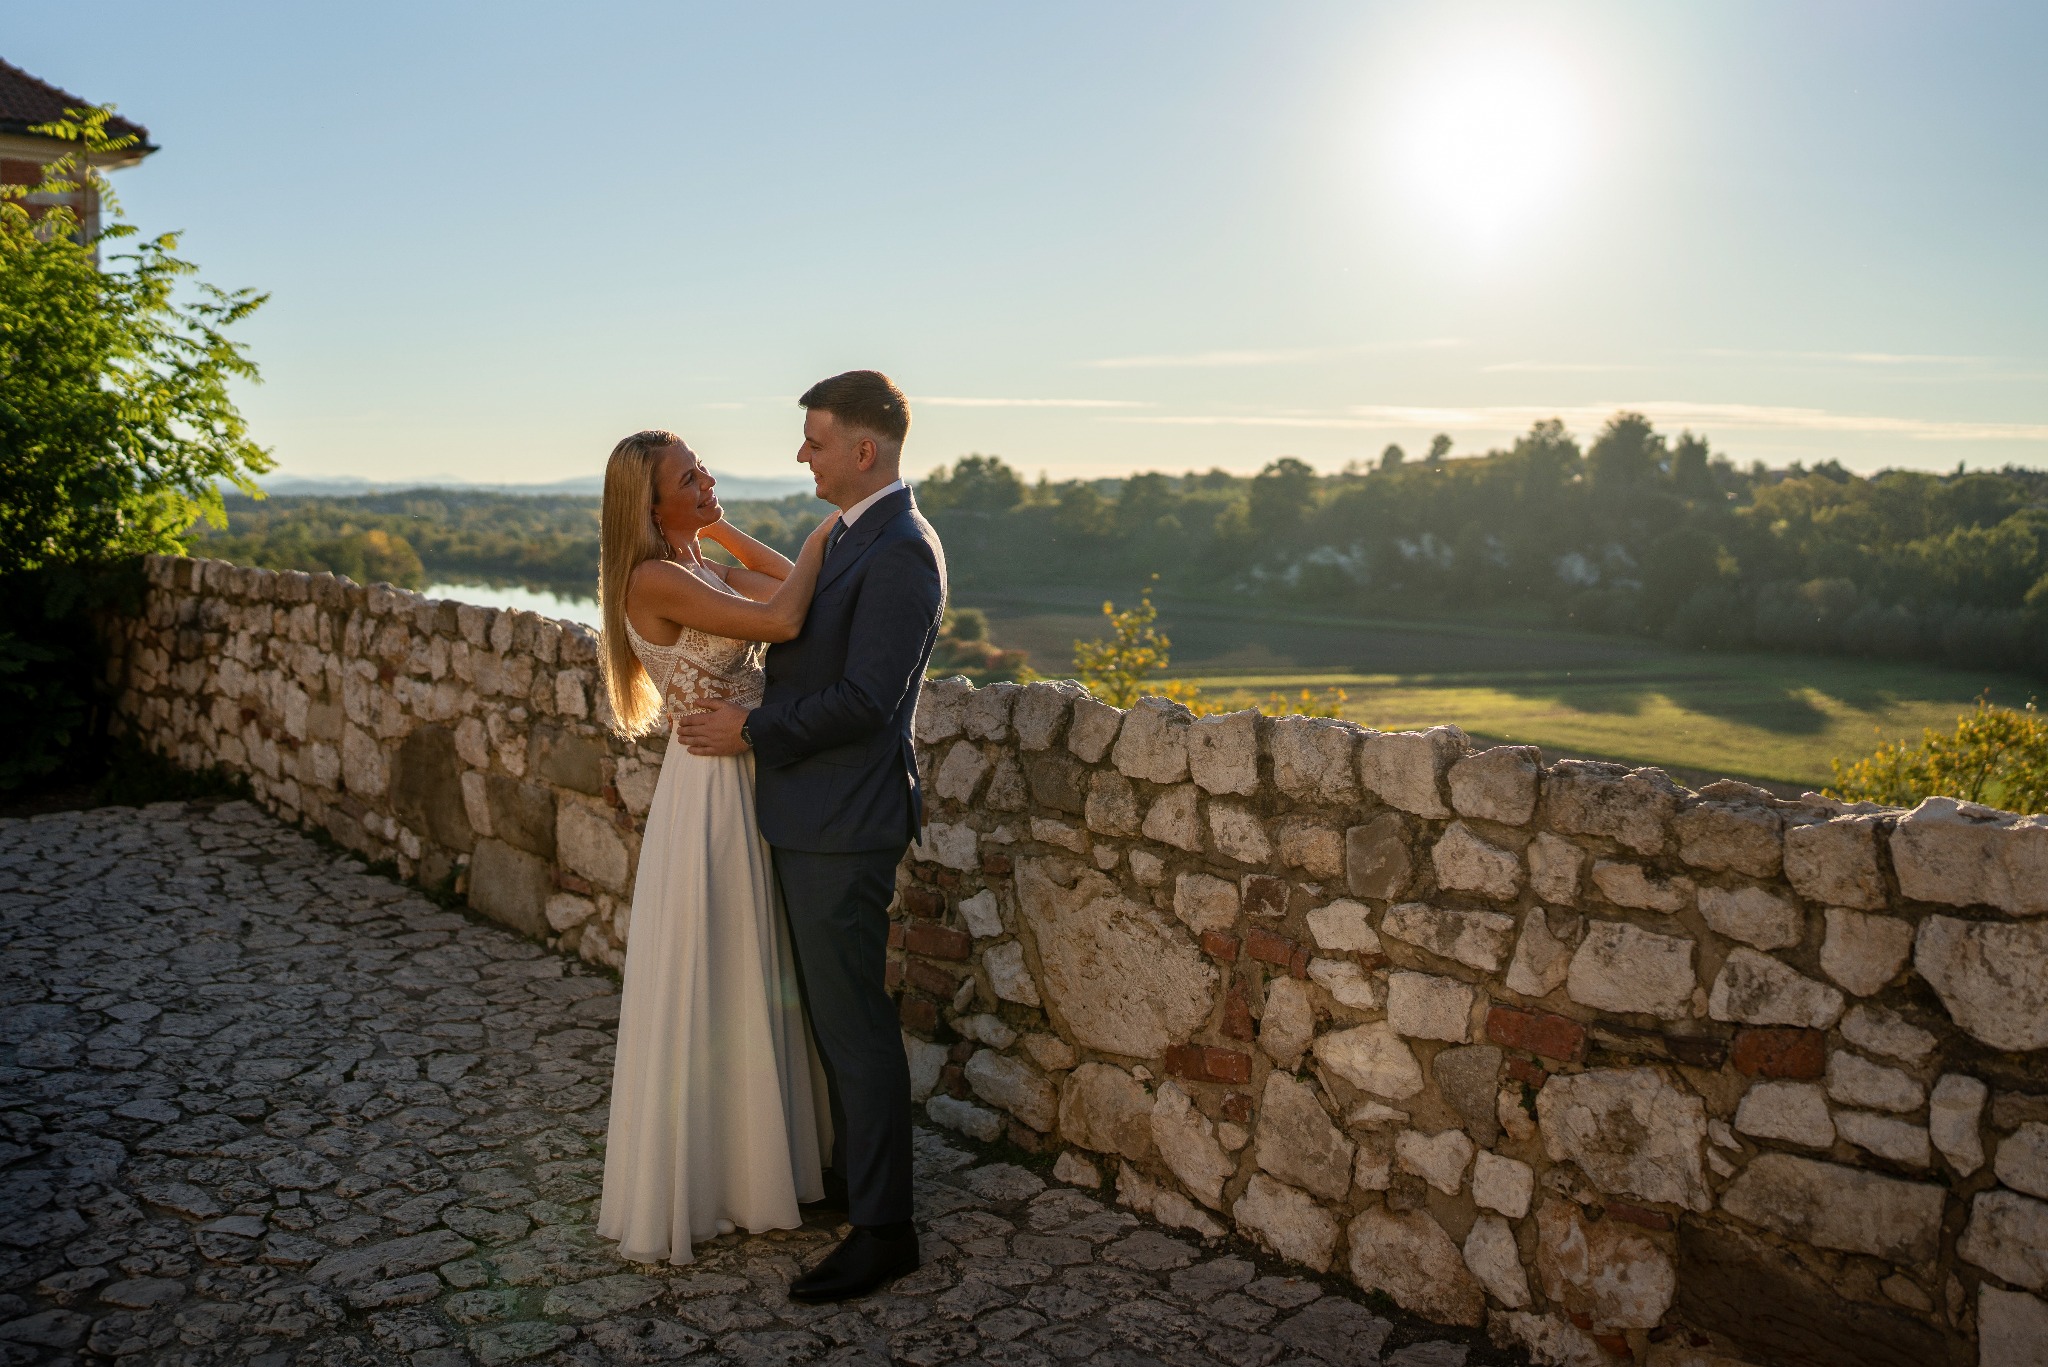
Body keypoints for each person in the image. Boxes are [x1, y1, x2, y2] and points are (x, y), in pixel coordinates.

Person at [673, 370, 947, 1303]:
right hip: (810, 814)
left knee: (854, 1022)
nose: (802, 454)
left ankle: (886, 1230)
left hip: (845, 820)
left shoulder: (902, 550)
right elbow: (794, 609)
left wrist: (750, 730)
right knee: (824, 1016)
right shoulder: (852, 533)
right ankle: (846, 1180)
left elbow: (867, 701)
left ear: (864, 450)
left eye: (816, 440)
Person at [592, 428, 840, 1266]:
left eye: (702, 469)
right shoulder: (654, 578)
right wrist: (826, 532)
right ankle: (714, 1179)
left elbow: (788, 590)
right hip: (709, 788)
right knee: (719, 960)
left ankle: (757, 1166)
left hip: (746, 774)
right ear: (650, 504)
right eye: (688, 478)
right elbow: (785, 614)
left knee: (750, 961)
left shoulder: (696, 565)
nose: (706, 480)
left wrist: (720, 526)